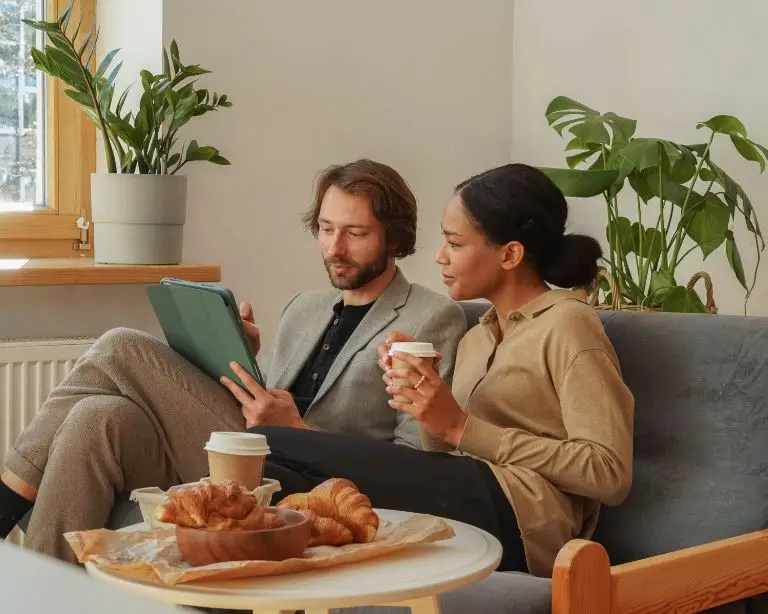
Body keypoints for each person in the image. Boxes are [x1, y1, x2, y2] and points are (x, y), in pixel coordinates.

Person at [0, 159, 467, 562]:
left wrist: (301, 434)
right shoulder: (304, 307)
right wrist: (235, 357)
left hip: (304, 479)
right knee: (97, 417)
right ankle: (44, 594)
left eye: (355, 233)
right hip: (247, 450)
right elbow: (266, 406)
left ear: (394, 237)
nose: (334, 248)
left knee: (121, 345)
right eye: (325, 230)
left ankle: (7, 500)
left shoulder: (433, 317)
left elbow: (416, 464)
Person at [245, 163, 635, 576]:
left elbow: (609, 474)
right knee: (269, 474)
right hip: (464, 494)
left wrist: (462, 429)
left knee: (268, 441)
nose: (439, 256)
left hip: (525, 518)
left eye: (455, 243)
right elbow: (441, 451)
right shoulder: (478, 336)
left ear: (510, 254)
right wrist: (423, 397)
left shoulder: (568, 324)